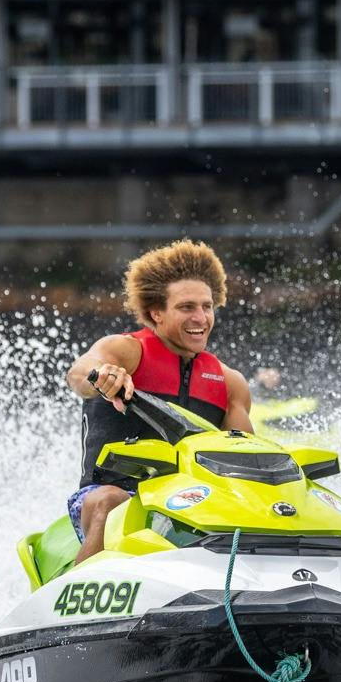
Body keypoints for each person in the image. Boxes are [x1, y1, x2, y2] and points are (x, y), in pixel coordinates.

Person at [66, 240, 254, 563]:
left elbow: (245, 462)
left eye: (207, 307)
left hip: (189, 506)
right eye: (187, 307)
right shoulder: (127, 351)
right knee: (113, 502)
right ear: (157, 312)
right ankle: (79, 597)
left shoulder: (230, 383)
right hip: (108, 498)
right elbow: (78, 374)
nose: (201, 318)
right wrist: (104, 376)